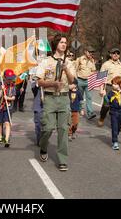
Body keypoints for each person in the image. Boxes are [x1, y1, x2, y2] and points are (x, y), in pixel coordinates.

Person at [36, 34, 75, 171]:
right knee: (48, 128)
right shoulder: (46, 61)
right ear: (55, 45)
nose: (64, 44)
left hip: (64, 98)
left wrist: (66, 69)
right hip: (50, 98)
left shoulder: (69, 62)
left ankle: (62, 160)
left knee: (63, 130)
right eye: (61, 42)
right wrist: (52, 83)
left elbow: (71, 81)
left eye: (65, 42)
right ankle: (43, 147)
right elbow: (39, 81)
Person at [98, 48, 121, 127]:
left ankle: (118, 124)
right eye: (114, 53)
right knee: (106, 105)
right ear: (110, 54)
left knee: (119, 106)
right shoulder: (106, 64)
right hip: (109, 87)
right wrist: (101, 90)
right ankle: (102, 117)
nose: (116, 54)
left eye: (118, 53)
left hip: (120, 88)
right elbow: (101, 78)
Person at [106, 76, 121, 150]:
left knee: (119, 126)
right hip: (113, 112)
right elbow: (106, 102)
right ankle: (115, 142)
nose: (113, 85)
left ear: (120, 84)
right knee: (114, 127)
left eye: (115, 84)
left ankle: (116, 134)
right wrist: (103, 96)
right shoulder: (110, 93)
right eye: (112, 84)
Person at [75, 46, 97, 120]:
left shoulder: (92, 61)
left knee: (89, 97)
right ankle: (80, 109)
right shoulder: (79, 59)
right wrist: (74, 81)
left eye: (92, 52)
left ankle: (90, 112)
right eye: (89, 52)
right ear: (85, 51)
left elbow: (94, 71)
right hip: (80, 80)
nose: (91, 53)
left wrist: (93, 79)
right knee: (80, 97)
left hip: (89, 81)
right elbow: (75, 69)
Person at [0, 69, 16, 148]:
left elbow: (14, 97)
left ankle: (7, 139)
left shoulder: (13, 86)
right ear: (4, 78)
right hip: (0, 107)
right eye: (8, 79)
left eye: (11, 79)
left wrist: (7, 97)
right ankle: (0, 136)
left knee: (7, 123)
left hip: (9, 107)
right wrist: (2, 89)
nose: (10, 80)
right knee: (0, 122)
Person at [31, 77, 43, 146]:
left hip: (47, 107)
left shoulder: (48, 83)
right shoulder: (34, 84)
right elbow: (34, 90)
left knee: (46, 126)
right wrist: (38, 83)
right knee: (38, 125)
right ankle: (39, 139)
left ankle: (44, 139)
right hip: (38, 107)